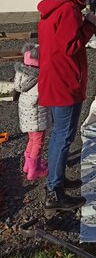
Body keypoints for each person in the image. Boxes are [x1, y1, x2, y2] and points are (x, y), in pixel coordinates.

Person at [37, 0, 96, 217]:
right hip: (64, 83)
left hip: (57, 79)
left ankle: (57, 180)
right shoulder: (68, 10)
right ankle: (55, 193)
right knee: (62, 138)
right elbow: (70, 46)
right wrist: (90, 26)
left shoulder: (56, 6)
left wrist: (83, 24)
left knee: (61, 136)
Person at [14, 44, 51, 181]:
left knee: (32, 139)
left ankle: (28, 165)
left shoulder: (22, 76)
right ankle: (34, 170)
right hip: (36, 114)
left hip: (26, 113)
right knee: (38, 142)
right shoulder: (40, 77)